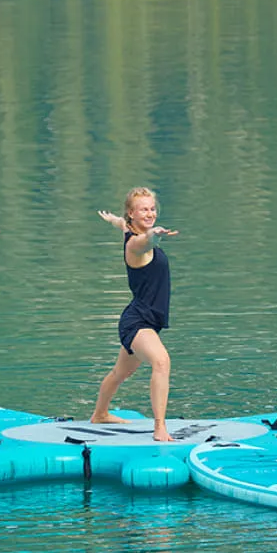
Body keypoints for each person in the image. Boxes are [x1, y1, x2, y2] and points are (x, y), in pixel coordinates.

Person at [91, 187, 179, 442]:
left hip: (145, 320)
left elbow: (124, 225)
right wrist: (154, 235)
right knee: (161, 362)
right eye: (144, 209)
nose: (150, 213)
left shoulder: (129, 229)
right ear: (132, 212)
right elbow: (145, 241)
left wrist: (114, 220)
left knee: (120, 373)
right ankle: (160, 427)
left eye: (152, 208)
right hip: (138, 322)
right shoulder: (135, 243)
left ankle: (100, 414)